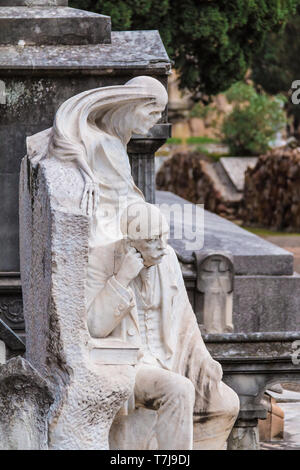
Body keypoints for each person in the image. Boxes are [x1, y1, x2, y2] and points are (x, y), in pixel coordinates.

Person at [87, 202, 240, 450]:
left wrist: (204, 362)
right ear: (130, 243)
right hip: (129, 364)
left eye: (163, 236)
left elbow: (184, 321)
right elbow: (94, 327)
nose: (161, 245)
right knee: (178, 389)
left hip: (169, 359)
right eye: (151, 240)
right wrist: (122, 279)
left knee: (227, 402)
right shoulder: (102, 260)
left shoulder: (167, 258)